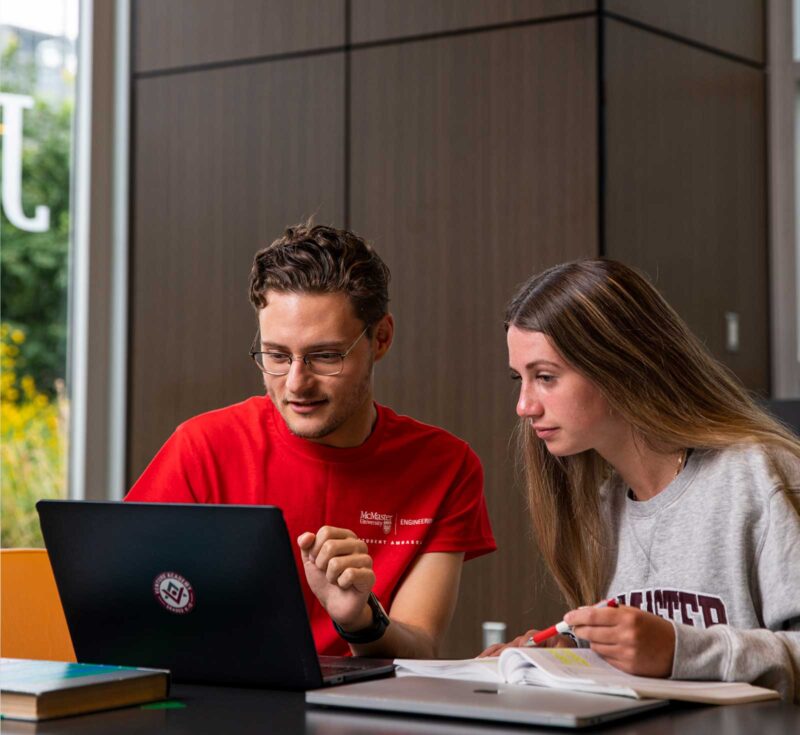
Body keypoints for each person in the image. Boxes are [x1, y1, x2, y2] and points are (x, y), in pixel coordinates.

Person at [126, 223, 496, 658]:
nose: (296, 383)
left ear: (381, 339)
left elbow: (420, 647)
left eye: (325, 356)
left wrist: (358, 619)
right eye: (277, 356)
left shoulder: (445, 465)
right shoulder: (201, 447)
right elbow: (126, 607)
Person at [481, 258, 800, 702]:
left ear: (619, 365)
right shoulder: (602, 505)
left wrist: (680, 650)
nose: (524, 405)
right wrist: (572, 651)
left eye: (546, 378)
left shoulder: (759, 473)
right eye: (521, 379)